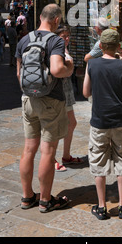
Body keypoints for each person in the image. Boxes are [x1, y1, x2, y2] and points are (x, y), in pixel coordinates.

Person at [16, 3, 74, 213]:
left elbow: (19, 75)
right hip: (51, 100)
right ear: (57, 20)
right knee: (48, 152)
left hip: (28, 100)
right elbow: (58, 69)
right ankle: (46, 200)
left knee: (28, 150)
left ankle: (27, 197)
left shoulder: (24, 39)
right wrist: (70, 67)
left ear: (40, 17)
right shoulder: (56, 41)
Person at [83, 28, 122, 220]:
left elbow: (85, 92)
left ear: (101, 46)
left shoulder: (92, 64)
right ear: (118, 47)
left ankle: (102, 206)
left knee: (98, 162)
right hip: (119, 120)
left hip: (99, 121)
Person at [54, 25, 84, 172]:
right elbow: (60, 72)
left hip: (67, 91)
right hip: (58, 92)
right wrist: (69, 68)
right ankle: (51, 158)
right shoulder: (55, 50)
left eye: (67, 36)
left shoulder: (63, 49)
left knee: (71, 123)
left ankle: (66, 156)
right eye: (63, 36)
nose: (66, 39)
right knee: (55, 126)